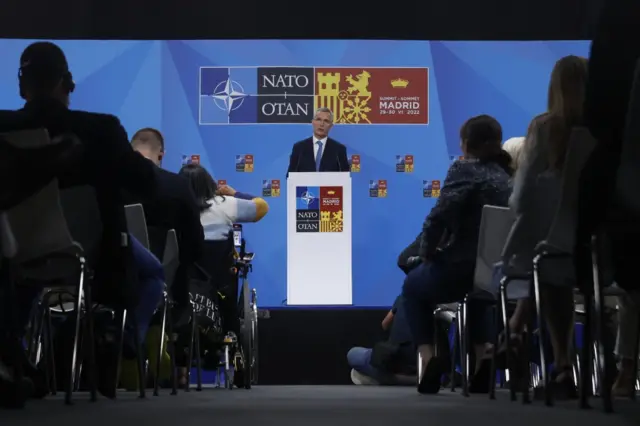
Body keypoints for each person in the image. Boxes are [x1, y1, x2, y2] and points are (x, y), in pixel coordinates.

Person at [0, 41, 160, 403]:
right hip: (88, 254)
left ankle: (14, 355)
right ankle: (105, 334)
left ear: (22, 86)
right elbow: (145, 183)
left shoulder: (3, 127)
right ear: (67, 83)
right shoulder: (102, 131)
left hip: (12, 249)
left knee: (20, 261)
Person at [402, 115, 512, 394]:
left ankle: (428, 360)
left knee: (412, 287)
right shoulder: (506, 176)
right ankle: (484, 354)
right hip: (496, 274)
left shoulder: (464, 169)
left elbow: (438, 216)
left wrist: (427, 252)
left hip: (459, 268)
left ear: (465, 144)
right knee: (478, 294)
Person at [504, 55, 589, 400]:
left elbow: (522, 199)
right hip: (607, 253)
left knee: (545, 264)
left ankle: (555, 360)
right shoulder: (611, 131)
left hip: (555, 253)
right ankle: (515, 336)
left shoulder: (545, 128)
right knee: (549, 264)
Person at [122, 127, 205, 388]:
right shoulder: (178, 186)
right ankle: (158, 343)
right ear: (161, 155)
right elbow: (195, 243)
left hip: (110, 278)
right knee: (180, 271)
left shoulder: (110, 184)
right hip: (168, 284)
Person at [178, 164, 269, 240]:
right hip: (220, 261)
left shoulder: (171, 207)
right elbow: (262, 207)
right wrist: (234, 193)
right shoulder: (224, 204)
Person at [347, 295, 416, 386]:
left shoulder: (404, 297)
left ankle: (393, 379)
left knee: (354, 354)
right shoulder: (438, 302)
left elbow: (385, 324)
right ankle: (414, 379)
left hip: (398, 360)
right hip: (424, 363)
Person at [286, 107, 350, 175]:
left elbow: (345, 178)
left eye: (326, 121)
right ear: (313, 122)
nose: (321, 124)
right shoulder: (299, 148)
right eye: (318, 119)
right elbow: (290, 177)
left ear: (331, 126)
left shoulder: (339, 149)